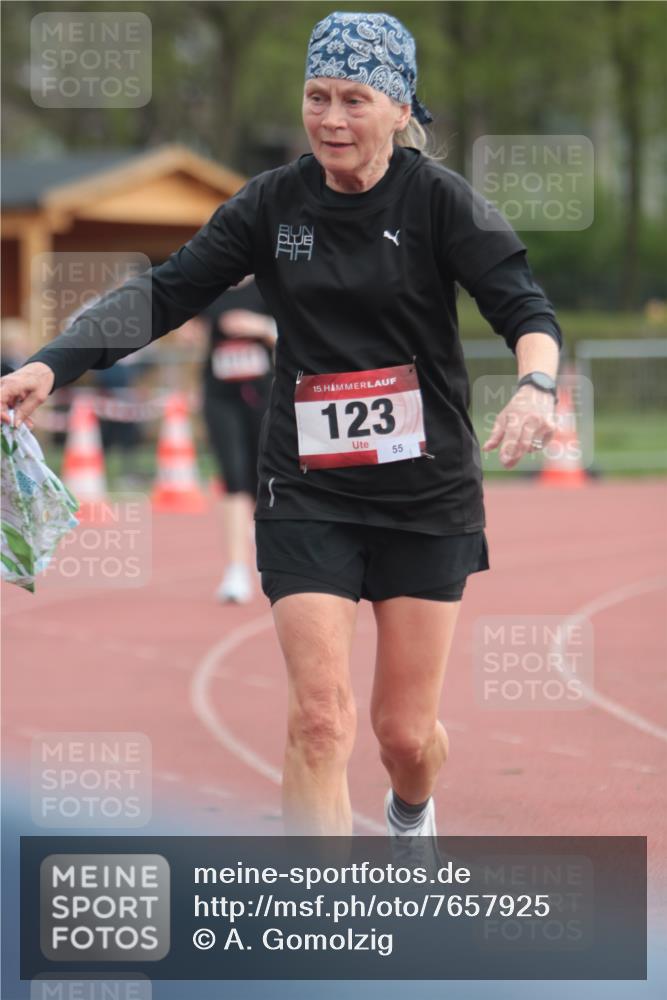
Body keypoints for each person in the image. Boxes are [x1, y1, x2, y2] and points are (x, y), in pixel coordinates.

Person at [1, 11, 561, 845]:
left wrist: (535, 386)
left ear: (401, 109)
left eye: (354, 100)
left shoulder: (440, 202)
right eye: (316, 96)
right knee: (321, 720)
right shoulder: (271, 204)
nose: (331, 119)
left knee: (403, 736)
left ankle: (411, 809)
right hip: (307, 486)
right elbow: (166, 291)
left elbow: (525, 306)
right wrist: (54, 360)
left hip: (424, 489)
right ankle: (320, 927)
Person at [197, 276, 277, 603]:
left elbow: (295, 333)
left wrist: (258, 326)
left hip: (264, 393)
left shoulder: (269, 285)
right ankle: (236, 570)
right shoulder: (209, 287)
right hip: (220, 396)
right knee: (232, 477)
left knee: (264, 476)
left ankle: (267, 545)